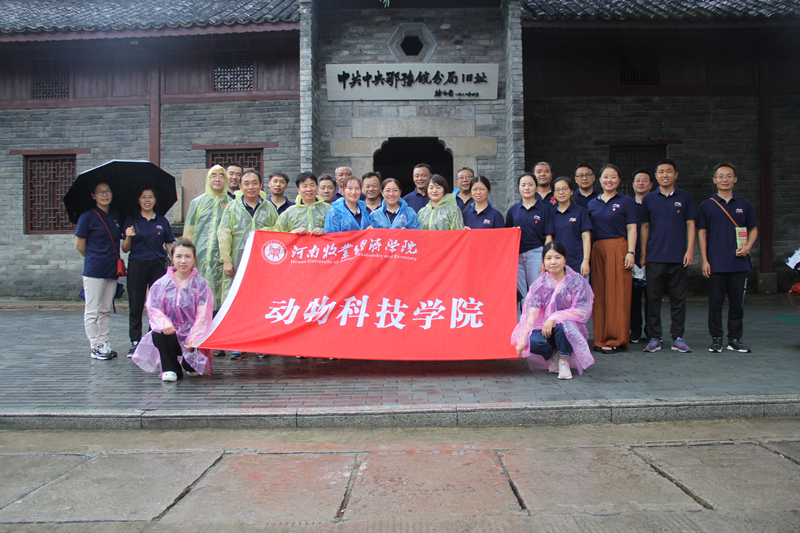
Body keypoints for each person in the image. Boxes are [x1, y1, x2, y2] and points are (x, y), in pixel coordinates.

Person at [131, 239, 214, 382]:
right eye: (179, 256)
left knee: (193, 368)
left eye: (187, 256)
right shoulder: (161, 284)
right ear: (172, 257)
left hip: (192, 336)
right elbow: (154, 308)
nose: (183, 261)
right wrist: (164, 324)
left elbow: (203, 315)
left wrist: (194, 337)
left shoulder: (201, 285)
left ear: (194, 258)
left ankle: (190, 364)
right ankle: (171, 368)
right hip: (171, 333)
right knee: (158, 332)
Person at [697, 163, 758, 353]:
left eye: (729, 176)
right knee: (715, 304)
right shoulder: (706, 205)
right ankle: (716, 339)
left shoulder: (744, 204)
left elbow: (753, 229)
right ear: (715, 180)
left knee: (737, 304)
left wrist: (748, 247)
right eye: (721, 176)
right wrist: (704, 261)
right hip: (716, 263)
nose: (725, 180)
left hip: (739, 263)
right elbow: (702, 234)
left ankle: (735, 339)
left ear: (735, 179)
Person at [511, 241, 595, 380]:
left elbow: (582, 310)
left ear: (565, 259)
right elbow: (531, 314)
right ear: (543, 262)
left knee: (564, 325)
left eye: (557, 257)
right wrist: (522, 340)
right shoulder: (540, 284)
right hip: (546, 328)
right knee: (534, 341)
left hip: (569, 328)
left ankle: (564, 361)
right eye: (548, 258)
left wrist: (554, 317)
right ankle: (554, 355)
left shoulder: (576, 281)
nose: (553, 262)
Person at [639, 158, 696, 354]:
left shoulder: (685, 197)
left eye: (669, 171)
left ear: (676, 175)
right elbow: (645, 227)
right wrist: (644, 253)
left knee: (678, 299)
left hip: (678, 257)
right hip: (655, 256)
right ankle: (654, 337)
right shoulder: (649, 199)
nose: (665, 175)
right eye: (661, 171)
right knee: (652, 299)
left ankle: (677, 337)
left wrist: (690, 250)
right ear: (656, 176)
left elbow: (691, 224)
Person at [586, 164, 637, 354]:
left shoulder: (626, 202)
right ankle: (600, 338)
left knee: (618, 294)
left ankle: (617, 338)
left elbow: (632, 228)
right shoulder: (592, 203)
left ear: (619, 180)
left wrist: (631, 252)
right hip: (598, 250)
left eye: (613, 177)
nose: (609, 180)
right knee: (599, 294)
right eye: (606, 177)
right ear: (599, 179)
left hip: (619, 248)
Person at [122, 188, 175, 356]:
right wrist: (128, 237)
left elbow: (169, 244)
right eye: (143, 197)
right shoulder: (131, 220)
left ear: (155, 200)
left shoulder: (162, 221)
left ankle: (154, 337)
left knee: (157, 303)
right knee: (136, 302)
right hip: (137, 264)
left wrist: (175, 261)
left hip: (158, 265)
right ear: (138, 200)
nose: (147, 200)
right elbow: (125, 249)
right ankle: (135, 341)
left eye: (150, 197)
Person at [74, 182, 123, 360]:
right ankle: (95, 345)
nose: (104, 195)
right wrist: (94, 257)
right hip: (94, 269)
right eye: (100, 192)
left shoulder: (116, 216)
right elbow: (79, 245)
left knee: (105, 309)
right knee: (92, 309)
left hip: (112, 269)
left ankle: (104, 341)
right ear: (93, 195)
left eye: (107, 191)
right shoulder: (87, 217)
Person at [218, 169, 278, 302]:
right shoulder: (232, 207)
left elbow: (277, 232)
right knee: (236, 293)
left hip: (262, 260)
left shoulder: (269, 207)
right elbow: (224, 234)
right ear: (240, 186)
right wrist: (226, 261)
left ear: (260, 185)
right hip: (237, 259)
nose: (250, 187)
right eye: (246, 183)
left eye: (254, 183)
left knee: (261, 294)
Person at [506, 172, 554, 313]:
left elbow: (549, 236)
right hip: (517, 256)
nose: (527, 188)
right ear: (519, 188)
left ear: (536, 187)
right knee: (520, 293)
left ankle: (539, 323)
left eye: (530, 184)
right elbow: (507, 236)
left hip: (536, 253)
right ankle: (522, 324)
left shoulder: (544, 209)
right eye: (523, 185)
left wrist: (545, 258)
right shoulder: (513, 210)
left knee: (538, 290)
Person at [183, 165, 229, 311]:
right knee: (198, 291)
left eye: (221, 176)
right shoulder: (197, 203)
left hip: (221, 258)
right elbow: (189, 230)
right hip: (200, 255)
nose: (217, 179)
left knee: (221, 292)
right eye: (213, 175)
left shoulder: (231, 203)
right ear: (208, 179)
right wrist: (187, 255)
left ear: (225, 180)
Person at [630, 168, 654, 343]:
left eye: (645, 180)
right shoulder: (627, 205)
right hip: (632, 254)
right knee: (633, 298)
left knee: (652, 296)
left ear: (651, 184)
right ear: (632, 184)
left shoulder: (655, 203)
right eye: (638, 180)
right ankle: (635, 330)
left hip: (653, 255)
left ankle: (652, 331)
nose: (641, 183)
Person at [551, 177, 592, 276]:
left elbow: (586, 237)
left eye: (565, 189)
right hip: (557, 263)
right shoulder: (551, 213)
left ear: (571, 191)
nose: (561, 192)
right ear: (554, 194)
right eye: (558, 190)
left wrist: (586, 260)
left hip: (577, 262)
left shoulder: (580, 211)